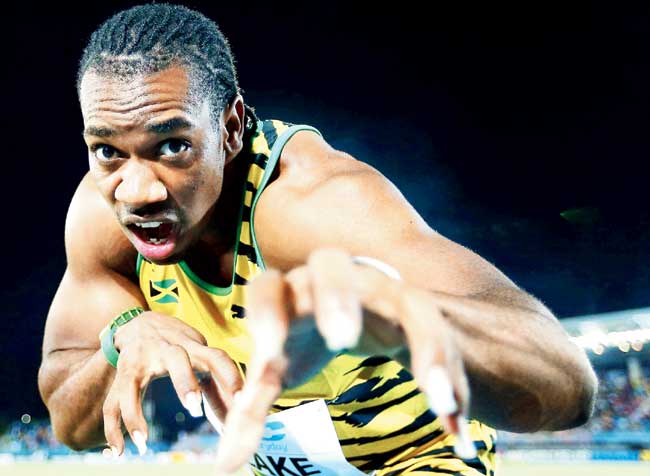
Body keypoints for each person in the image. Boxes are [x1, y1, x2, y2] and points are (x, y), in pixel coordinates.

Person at [37, 4, 597, 475]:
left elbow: (569, 390)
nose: (137, 192)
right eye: (107, 150)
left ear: (231, 129)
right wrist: (121, 337)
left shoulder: (315, 206)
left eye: (173, 146)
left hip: (417, 458)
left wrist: (402, 316)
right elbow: (71, 423)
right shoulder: (100, 214)